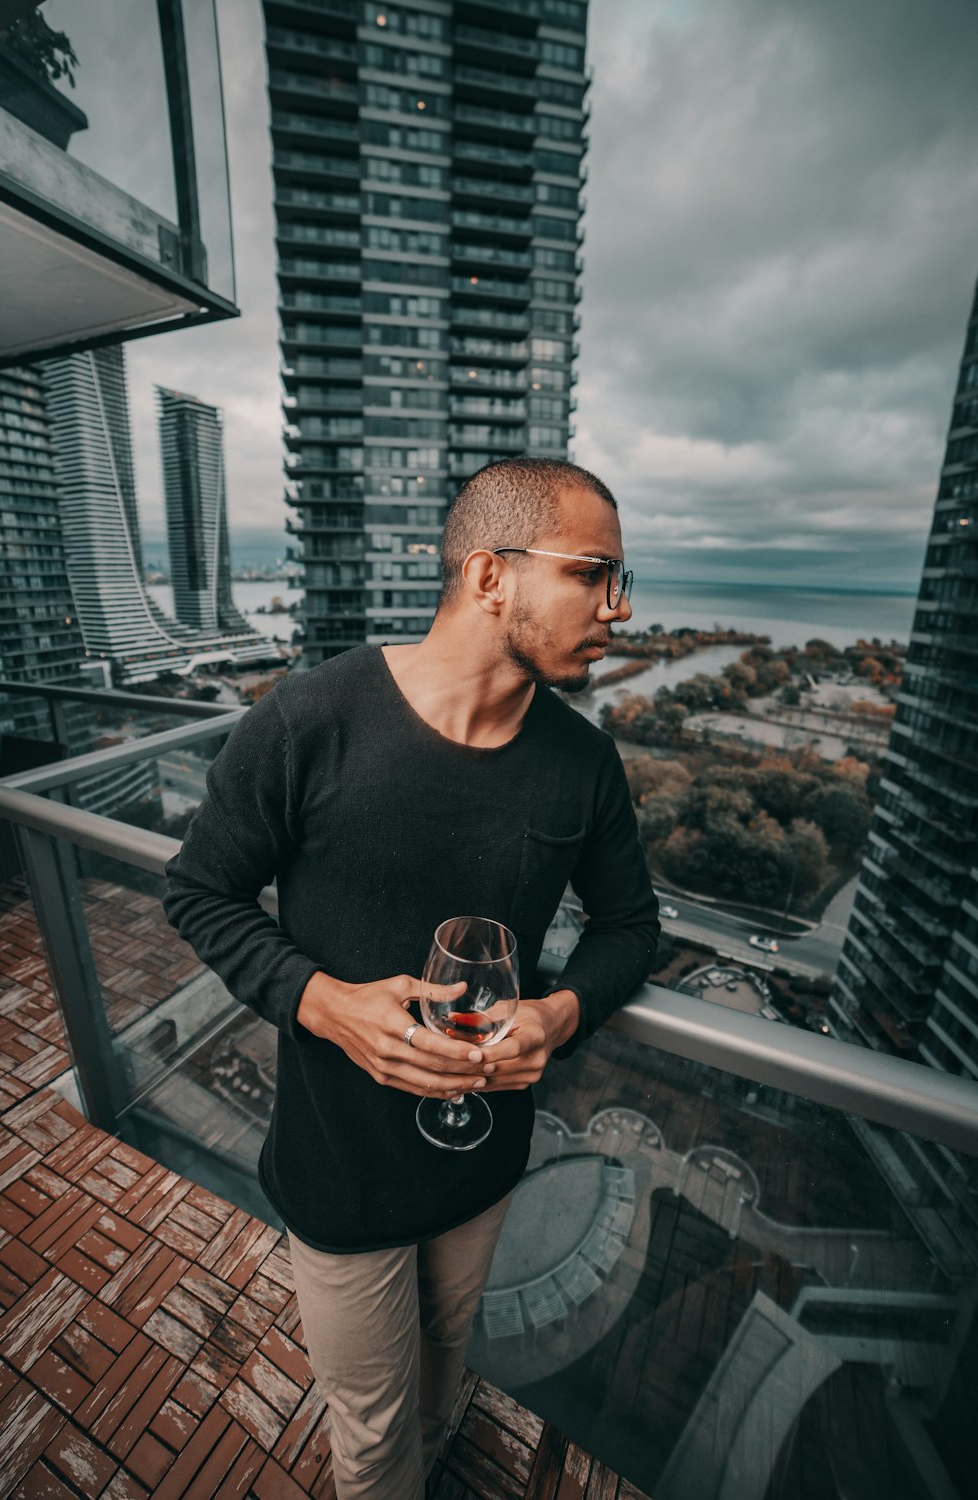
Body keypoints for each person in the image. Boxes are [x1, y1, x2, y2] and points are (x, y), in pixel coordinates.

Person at [163, 457, 659, 1499]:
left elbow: (629, 928)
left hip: (482, 1164)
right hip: (335, 1165)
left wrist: (559, 1016)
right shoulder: (308, 723)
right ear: (489, 577)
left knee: (444, 1381)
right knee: (374, 1433)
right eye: (595, 573)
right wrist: (322, 1004)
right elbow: (200, 894)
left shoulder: (583, 764)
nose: (620, 608)